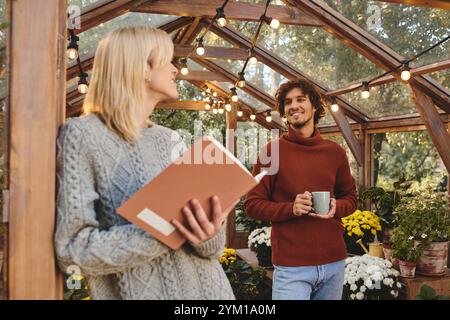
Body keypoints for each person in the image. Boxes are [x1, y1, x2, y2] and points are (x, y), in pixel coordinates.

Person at [54, 26, 235, 300]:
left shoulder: (170, 139)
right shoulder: (82, 136)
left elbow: (212, 250)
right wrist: (163, 232)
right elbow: (73, 251)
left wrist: (208, 232)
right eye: (167, 60)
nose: (175, 69)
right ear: (142, 68)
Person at [244, 79, 358, 300]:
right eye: (288, 102)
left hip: (334, 263)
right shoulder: (272, 152)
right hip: (291, 268)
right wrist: (291, 208)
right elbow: (252, 204)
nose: (293, 105)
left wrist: (337, 207)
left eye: (300, 99)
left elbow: (351, 198)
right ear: (284, 111)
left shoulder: (335, 152)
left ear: (314, 106)